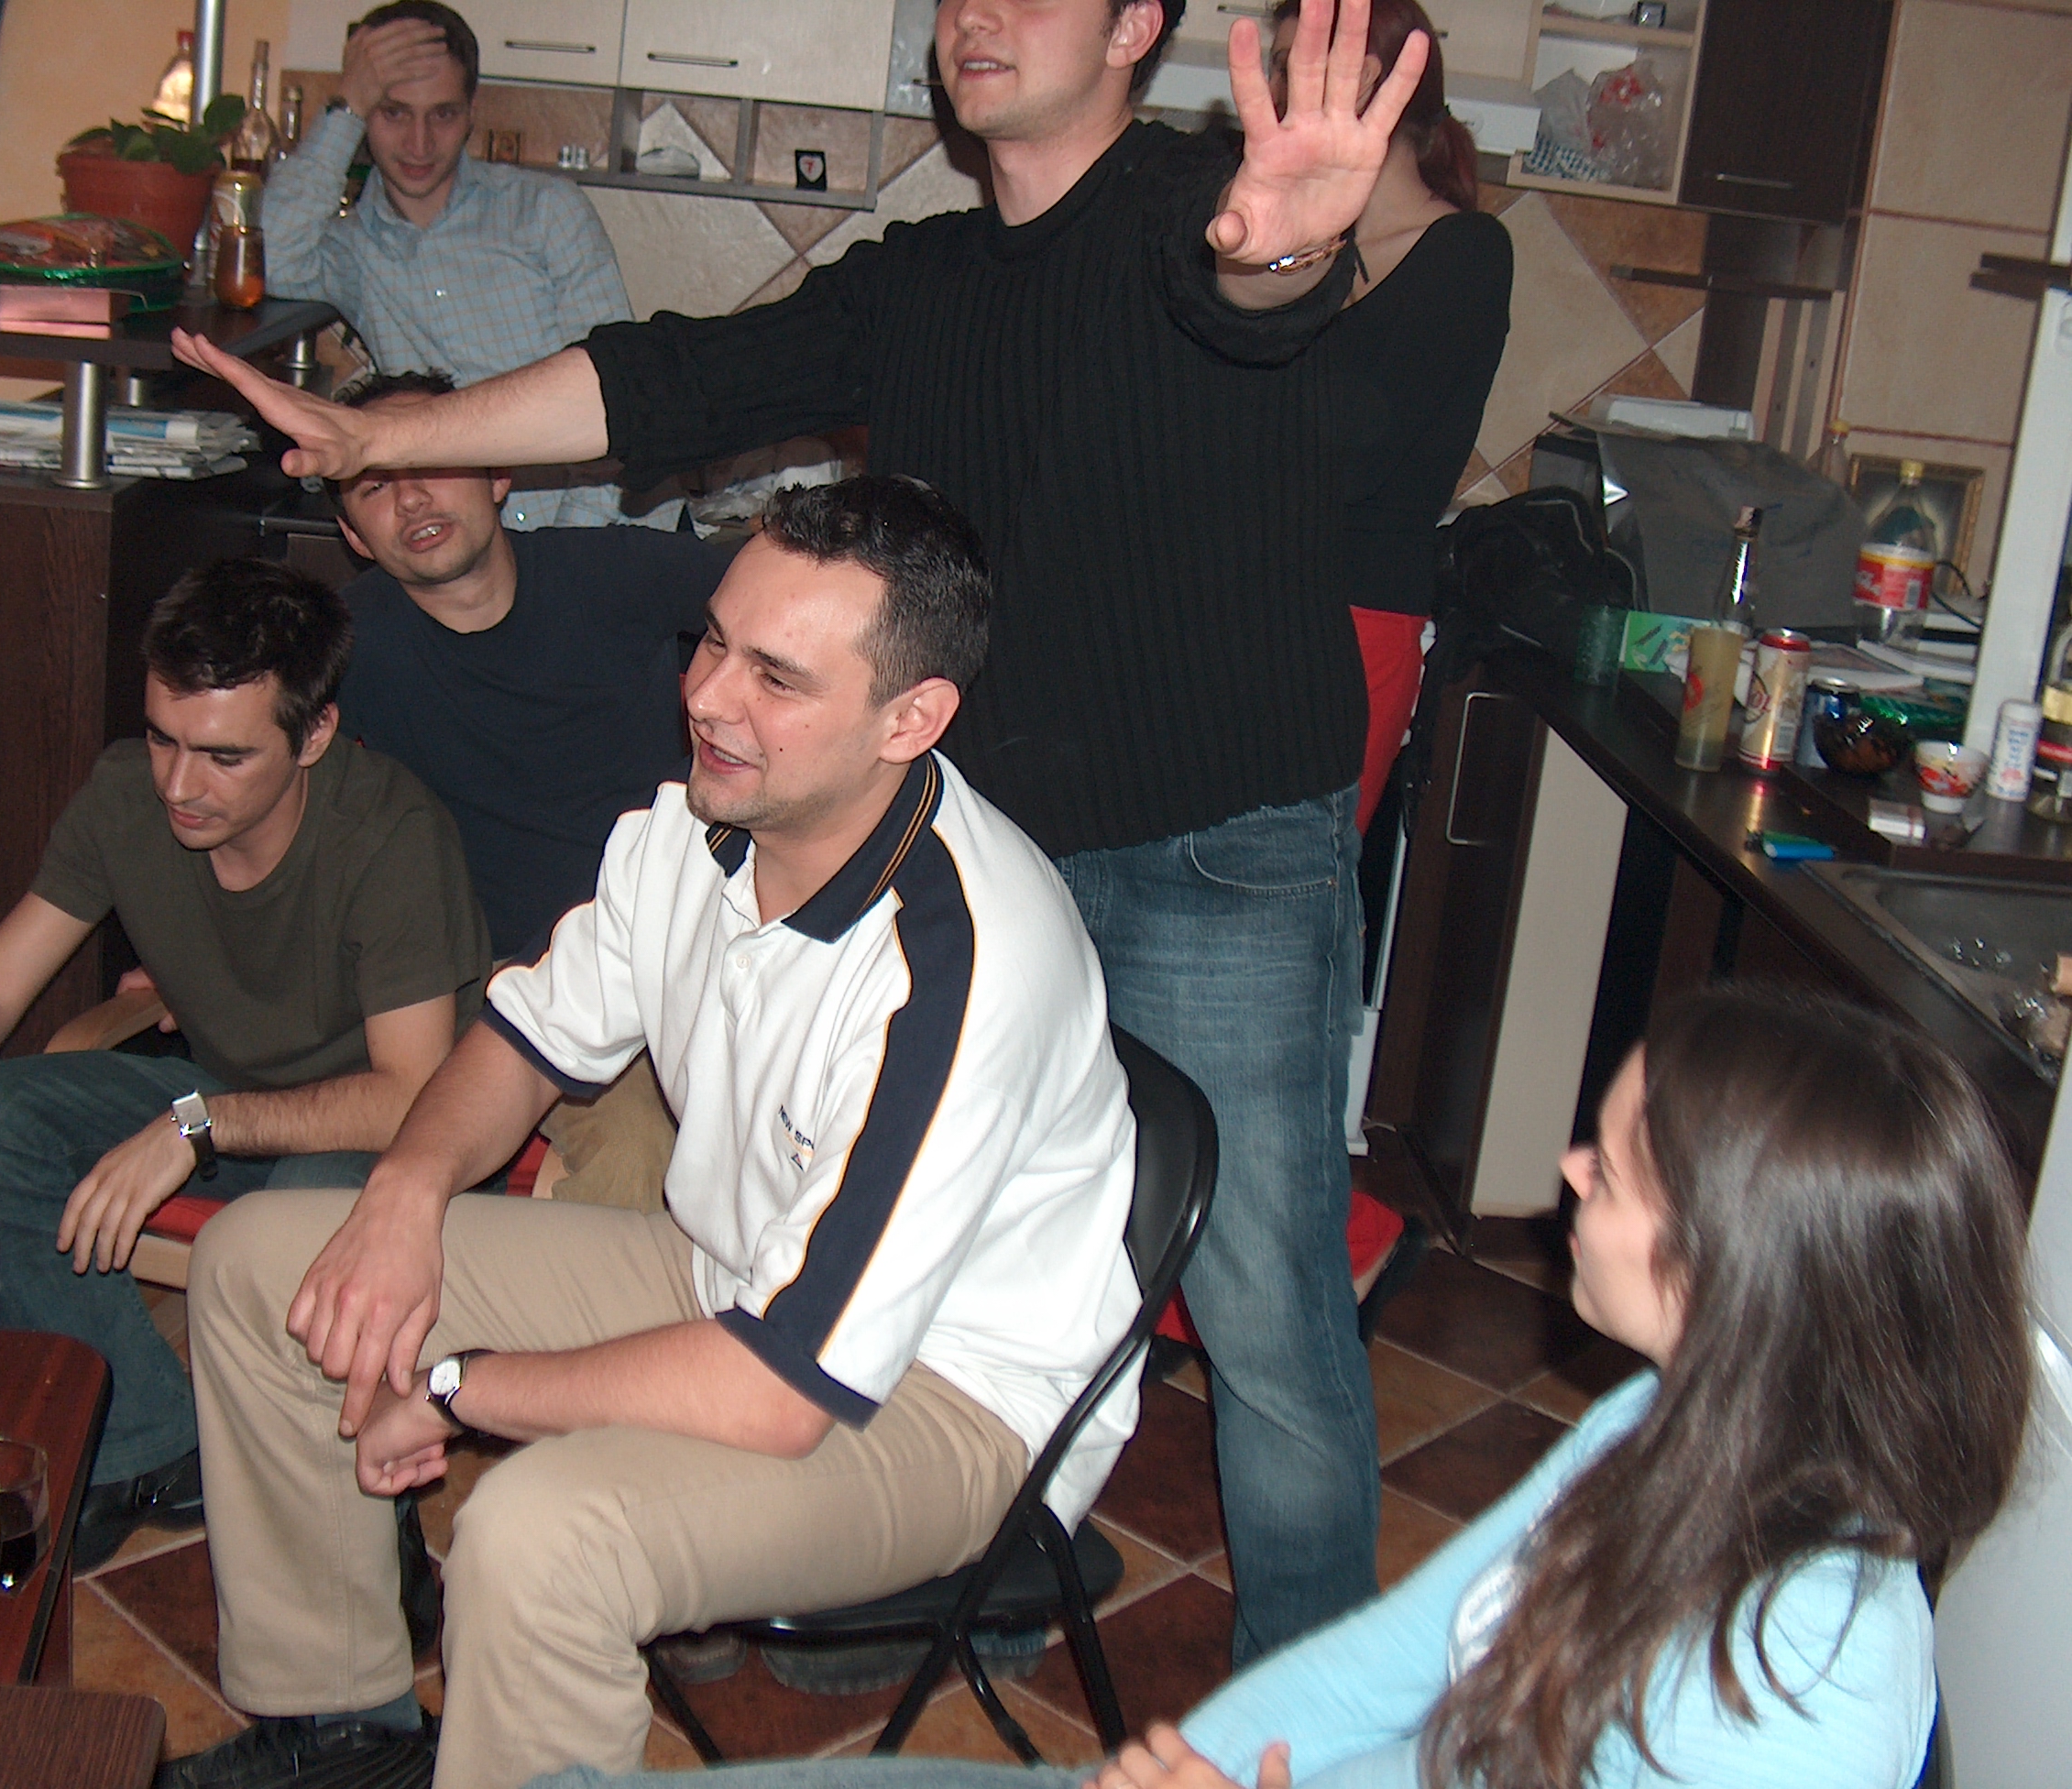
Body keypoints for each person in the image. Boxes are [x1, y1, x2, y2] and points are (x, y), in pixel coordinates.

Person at [181, 0, 1433, 1662]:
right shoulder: (921, 280)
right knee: (902, 1220)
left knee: (1264, 1307)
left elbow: (1252, 298)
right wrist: (387, 434)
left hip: (1214, 843)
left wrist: (1279, 255)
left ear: (1139, 22)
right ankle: (907, 1555)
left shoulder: (1201, 216)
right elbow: (670, 379)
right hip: (985, 825)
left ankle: (1313, 1723)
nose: (975, 14)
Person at [158, 477, 1143, 1789]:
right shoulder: (696, 825)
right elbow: (527, 1038)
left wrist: (452, 1384)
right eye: (713, 640)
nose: (708, 696)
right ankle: (339, 1723)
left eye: (776, 677)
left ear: (911, 719)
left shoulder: (957, 970)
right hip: (729, 1273)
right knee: (257, 1264)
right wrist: (403, 1192)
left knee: (539, 1534)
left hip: (944, 1398)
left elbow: (781, 1388)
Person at [524, 983, 2035, 1789]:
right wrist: (1198, 1757)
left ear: (1732, 1266)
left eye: (1621, 1169)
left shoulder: (1809, 1677)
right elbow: (1401, 1653)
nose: (1573, 1167)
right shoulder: (1670, 1424)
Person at [0, 559, 490, 1569]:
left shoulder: (392, 836)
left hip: (381, 1132)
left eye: (223, 755)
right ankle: (154, 1444)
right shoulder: (124, 796)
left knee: (289, 1221)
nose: (179, 784)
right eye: (161, 738)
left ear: (314, 735)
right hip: (220, 1099)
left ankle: (350, 1518)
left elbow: (410, 1097)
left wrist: (196, 1126)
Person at [330, 368, 732, 1211]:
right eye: (374, 486)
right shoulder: (349, 642)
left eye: (432, 463)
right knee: (634, 1155)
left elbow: (793, 610)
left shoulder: (614, 574)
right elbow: (246, 774)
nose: (411, 500)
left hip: (670, 948)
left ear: (498, 473)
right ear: (352, 533)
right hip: (494, 981)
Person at [1268, 0, 1511, 829]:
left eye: (1286, 65)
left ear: (1363, 78)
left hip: (1354, 618)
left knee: (1290, 877)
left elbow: (1353, 453)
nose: (1271, 91)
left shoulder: (1467, 253)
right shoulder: (1292, 248)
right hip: (1246, 607)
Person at [263, 0, 642, 529]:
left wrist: (562, 551)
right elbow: (272, 256)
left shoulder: (546, 210)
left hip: (596, 530)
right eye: (393, 112)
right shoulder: (349, 250)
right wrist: (346, 105)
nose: (419, 143)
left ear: (470, 112)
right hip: (471, 540)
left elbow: (618, 397)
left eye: (442, 114)